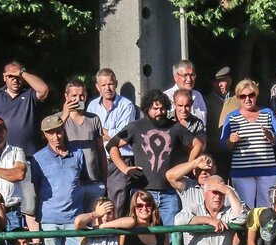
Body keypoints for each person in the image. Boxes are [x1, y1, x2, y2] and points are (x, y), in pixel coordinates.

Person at [109, 89, 202, 226]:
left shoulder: (175, 128)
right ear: (147, 108)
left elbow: (198, 144)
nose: (159, 112)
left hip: (169, 194)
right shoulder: (136, 126)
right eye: (155, 108)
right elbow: (112, 145)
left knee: (171, 237)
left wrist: (188, 166)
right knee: (142, 237)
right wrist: (125, 169)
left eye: (163, 108)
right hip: (142, 193)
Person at [31, 114, 87, 245]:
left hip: (74, 218)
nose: (56, 136)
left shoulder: (78, 154)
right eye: (51, 132)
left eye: (59, 131)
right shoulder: (37, 158)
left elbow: (82, 181)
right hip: (49, 218)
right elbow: (35, 188)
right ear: (44, 135)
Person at [220, 79, 276, 210]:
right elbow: (222, 145)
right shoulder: (232, 117)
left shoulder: (267, 113)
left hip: (267, 170)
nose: (247, 99)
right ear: (238, 98)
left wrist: (271, 136)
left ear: (256, 95)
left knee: (266, 209)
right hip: (241, 172)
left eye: (251, 95)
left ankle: (265, 231)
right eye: (243, 96)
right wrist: (230, 141)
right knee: (245, 209)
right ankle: (248, 232)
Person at [176, 175, 247, 245]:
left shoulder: (229, 212)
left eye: (221, 192)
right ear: (205, 193)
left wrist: (229, 192)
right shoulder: (194, 208)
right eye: (214, 192)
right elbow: (178, 221)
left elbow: (241, 218)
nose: (218, 196)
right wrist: (208, 220)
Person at [87, 68, 139, 217]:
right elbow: (91, 132)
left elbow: (121, 136)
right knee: (97, 203)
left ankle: (116, 238)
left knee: (116, 205)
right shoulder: (92, 106)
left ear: (115, 84)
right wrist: (106, 133)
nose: (107, 88)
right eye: (103, 85)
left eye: (110, 84)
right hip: (97, 159)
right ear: (97, 87)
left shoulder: (126, 105)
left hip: (120, 160)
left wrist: (101, 132)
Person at [0, 61, 50, 156]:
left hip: (29, 155)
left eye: (18, 77)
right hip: (1, 155)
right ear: (4, 77)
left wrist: (22, 72)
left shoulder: (30, 95)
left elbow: (44, 90)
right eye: (11, 76)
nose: (15, 80)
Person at [61, 80, 107, 207]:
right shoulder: (59, 120)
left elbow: (100, 150)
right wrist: (65, 115)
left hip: (94, 181)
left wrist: (105, 180)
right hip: (71, 183)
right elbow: (54, 141)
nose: (78, 99)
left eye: (81, 95)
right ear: (66, 97)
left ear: (86, 95)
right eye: (74, 96)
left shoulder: (94, 119)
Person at [205, 67, 233, 175]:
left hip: (236, 152)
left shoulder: (239, 99)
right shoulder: (206, 101)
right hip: (215, 151)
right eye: (216, 82)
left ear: (229, 81)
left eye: (222, 81)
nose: (219, 85)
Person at [164, 60, 207, 125]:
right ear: (175, 77)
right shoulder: (166, 97)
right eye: (185, 75)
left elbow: (203, 122)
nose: (189, 79)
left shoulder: (198, 95)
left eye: (192, 75)